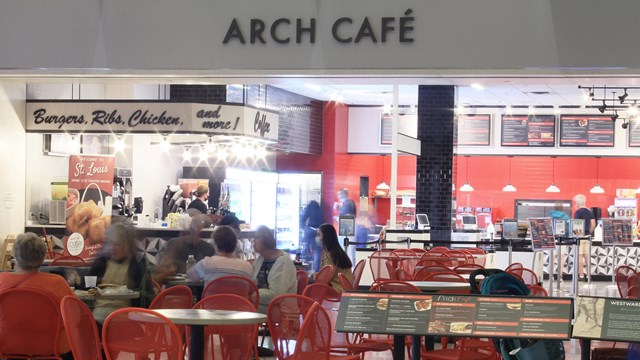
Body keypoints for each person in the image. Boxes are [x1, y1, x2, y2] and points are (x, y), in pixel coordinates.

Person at [0, 232, 75, 359]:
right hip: (52, 347)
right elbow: (75, 316)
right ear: (43, 256)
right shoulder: (57, 283)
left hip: (9, 345)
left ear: (15, 256)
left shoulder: (2, 281)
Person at [90, 222, 153, 319]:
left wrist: (133, 289)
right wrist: (79, 281)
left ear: (127, 246)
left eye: (117, 244)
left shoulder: (138, 264)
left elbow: (147, 296)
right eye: (110, 243)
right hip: (97, 316)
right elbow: (86, 287)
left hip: (126, 317)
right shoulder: (100, 263)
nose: (112, 248)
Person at [154, 214, 215, 283]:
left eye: (195, 229)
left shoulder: (208, 248)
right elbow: (163, 266)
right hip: (174, 286)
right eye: (191, 229)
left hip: (197, 287)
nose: (193, 232)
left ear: (200, 230)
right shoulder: (174, 244)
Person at [251, 225, 297, 314]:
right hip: (263, 304)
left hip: (280, 309)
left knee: (240, 308)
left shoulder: (282, 261)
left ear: (265, 240)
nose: (253, 241)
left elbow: (275, 295)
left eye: (256, 238)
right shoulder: (261, 259)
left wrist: (253, 294)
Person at [188, 225, 253, 284]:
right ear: (236, 244)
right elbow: (252, 287)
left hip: (212, 297)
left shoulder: (207, 263)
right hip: (239, 297)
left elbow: (191, 277)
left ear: (215, 244)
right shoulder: (247, 267)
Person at [311, 224, 354, 292]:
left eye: (319, 235)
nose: (316, 237)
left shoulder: (330, 255)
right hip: (342, 286)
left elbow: (326, 277)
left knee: (308, 283)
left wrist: (313, 276)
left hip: (338, 288)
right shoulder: (334, 251)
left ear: (326, 237)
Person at [573, 194, 596, 282]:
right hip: (588, 237)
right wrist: (589, 232)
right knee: (587, 256)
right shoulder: (590, 211)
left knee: (579, 256)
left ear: (578, 202)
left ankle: (582, 275)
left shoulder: (578, 212)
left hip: (580, 237)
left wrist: (579, 234)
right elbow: (593, 224)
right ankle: (589, 276)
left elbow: (576, 226)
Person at [300, 200, 324, 272]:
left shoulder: (309, 207)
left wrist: (303, 228)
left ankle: (305, 269)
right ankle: (316, 271)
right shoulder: (319, 208)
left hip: (310, 229)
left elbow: (303, 218)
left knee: (306, 249)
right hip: (318, 231)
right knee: (317, 251)